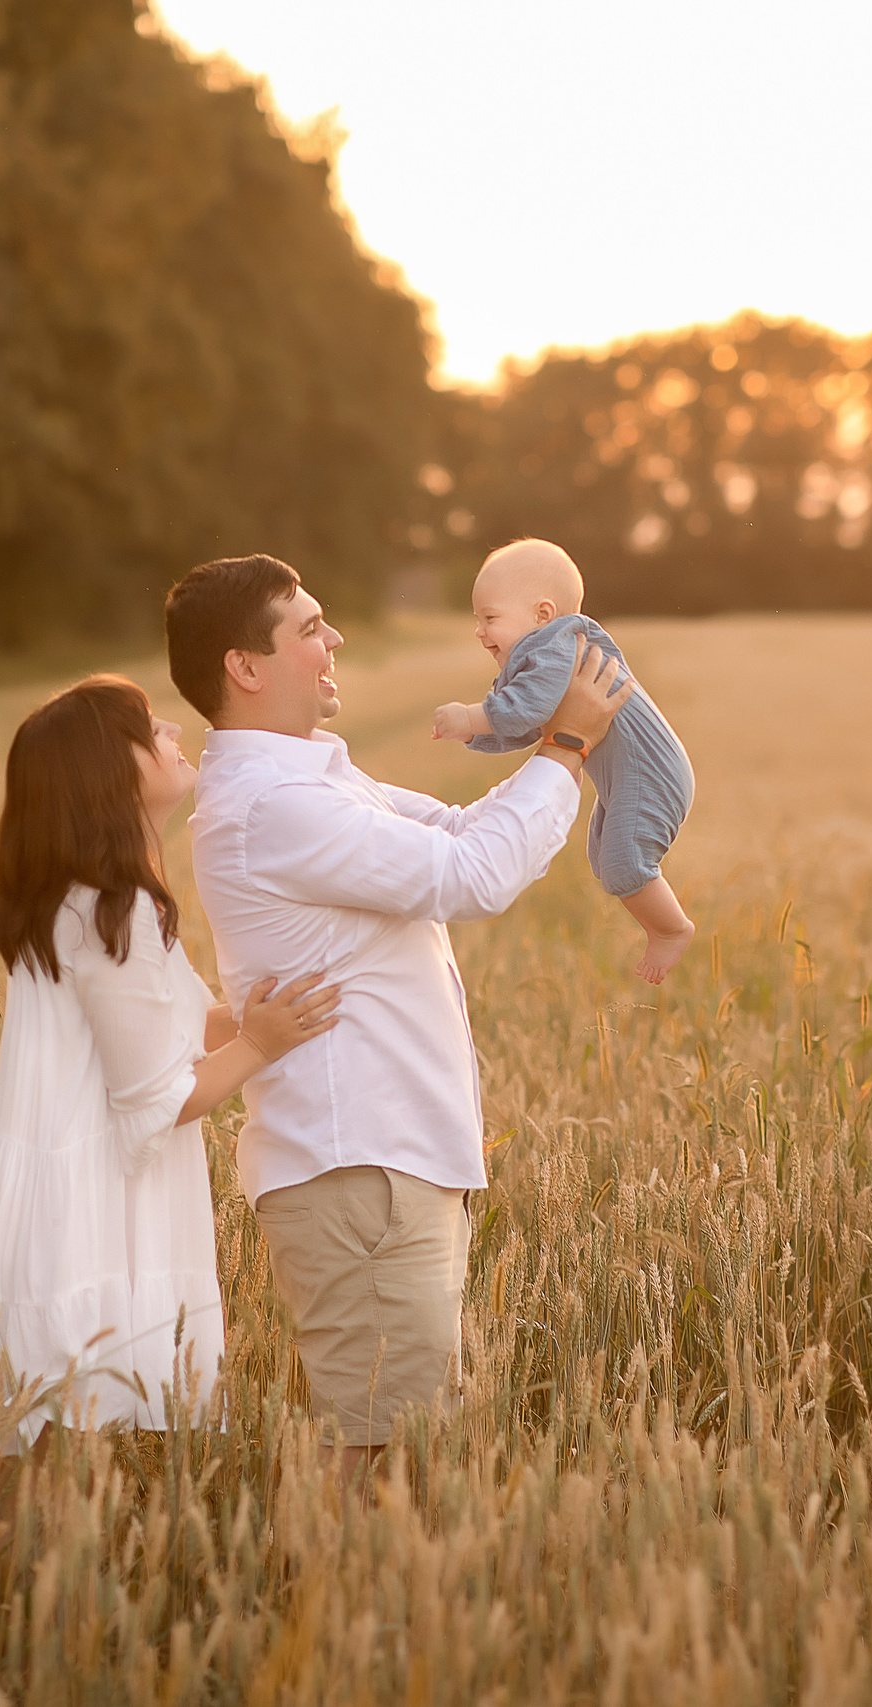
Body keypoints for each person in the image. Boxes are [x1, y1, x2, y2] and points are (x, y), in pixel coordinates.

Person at [165, 554, 631, 1479]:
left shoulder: (313, 781)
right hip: (359, 1166)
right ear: (244, 667)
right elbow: (470, 878)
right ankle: (337, 1620)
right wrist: (567, 750)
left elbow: (460, 832)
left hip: (384, 1159)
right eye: (309, 627)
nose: (332, 639)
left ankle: (358, 1619)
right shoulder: (277, 803)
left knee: (396, 1445)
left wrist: (566, 750)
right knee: (385, 1457)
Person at [0, 674, 341, 1448]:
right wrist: (261, 1043)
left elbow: (147, 1032)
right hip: (89, 1210)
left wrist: (245, 1016)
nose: (175, 729)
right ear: (109, 774)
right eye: (150, 726)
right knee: (56, 1458)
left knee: (40, 1457)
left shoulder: (76, 899)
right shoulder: (118, 911)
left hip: (45, 1191)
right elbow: (158, 1097)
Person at [431, 537, 698, 983]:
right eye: (477, 620)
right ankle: (662, 924)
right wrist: (477, 733)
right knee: (602, 858)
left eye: (490, 618)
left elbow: (525, 710)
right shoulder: (549, 655)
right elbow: (527, 725)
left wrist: (470, 717)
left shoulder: (557, 644)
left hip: (651, 774)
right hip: (633, 775)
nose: (479, 631)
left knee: (622, 863)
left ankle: (672, 929)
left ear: (542, 615)